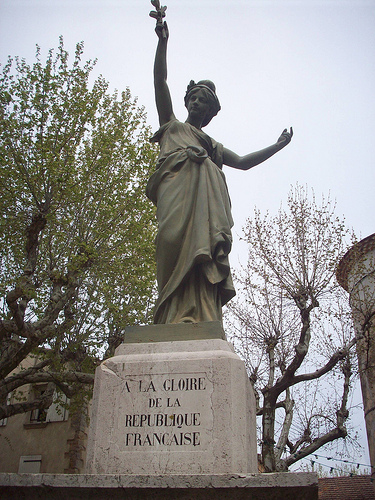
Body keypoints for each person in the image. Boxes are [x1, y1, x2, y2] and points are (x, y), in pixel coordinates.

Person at [146, 22, 293, 325]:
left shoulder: (213, 146)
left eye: (204, 101)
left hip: (204, 209)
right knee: (169, 241)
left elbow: (242, 161)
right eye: (194, 98)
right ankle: (168, 317)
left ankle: (199, 316)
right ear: (187, 102)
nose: (196, 103)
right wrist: (162, 43)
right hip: (175, 197)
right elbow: (160, 80)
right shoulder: (172, 127)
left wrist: (277, 146)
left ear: (211, 112)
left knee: (202, 254)